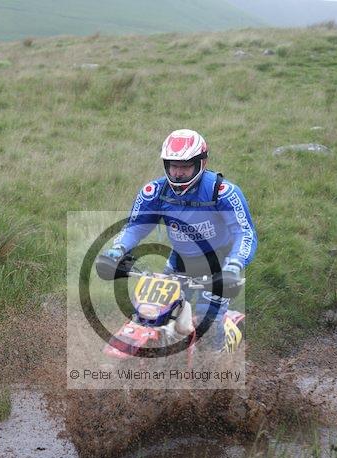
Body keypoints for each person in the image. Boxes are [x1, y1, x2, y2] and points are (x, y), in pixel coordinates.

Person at [105, 129, 258, 351]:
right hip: (180, 261)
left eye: (185, 167)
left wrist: (234, 265)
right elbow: (136, 227)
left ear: (201, 164)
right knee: (152, 314)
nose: (177, 173)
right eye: (173, 166)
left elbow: (244, 233)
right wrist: (117, 250)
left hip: (220, 263)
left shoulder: (223, 192)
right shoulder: (154, 192)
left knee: (207, 325)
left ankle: (220, 351)